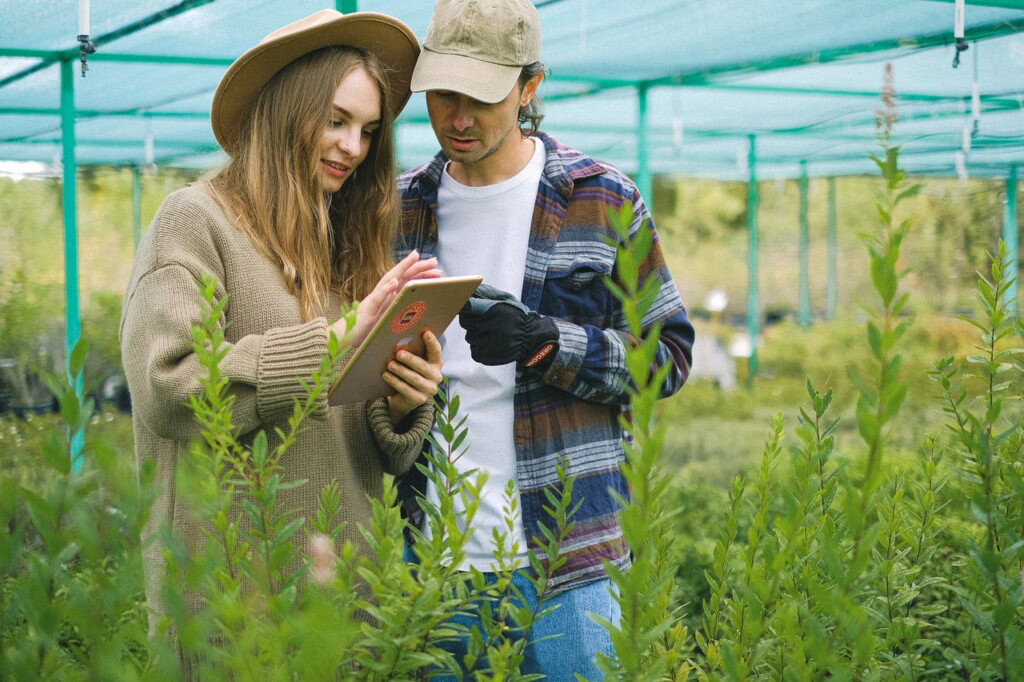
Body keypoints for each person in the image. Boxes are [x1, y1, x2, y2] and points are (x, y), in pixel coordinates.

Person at [120, 9, 443, 638]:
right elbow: (170, 386)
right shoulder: (194, 222)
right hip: (230, 606)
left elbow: (350, 429)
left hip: (346, 602)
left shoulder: (341, 239)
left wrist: (402, 404)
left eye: (369, 131)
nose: (354, 147)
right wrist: (335, 340)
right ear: (286, 112)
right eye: (336, 120)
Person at [395, 0, 695, 678]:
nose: (458, 118)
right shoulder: (399, 208)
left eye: (481, 97)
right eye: (443, 94)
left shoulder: (604, 200)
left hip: (571, 562)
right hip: (435, 561)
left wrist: (545, 343)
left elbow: (668, 359)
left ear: (530, 88)